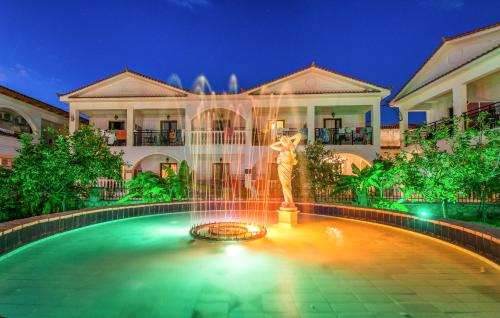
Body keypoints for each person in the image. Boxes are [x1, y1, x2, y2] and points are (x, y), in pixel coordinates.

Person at [270, 133, 302, 208]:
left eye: (284, 139)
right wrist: (280, 142)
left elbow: (299, 135)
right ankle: (287, 201)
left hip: (287, 167)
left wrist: (290, 138)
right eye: (283, 139)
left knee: (286, 185)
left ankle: (291, 202)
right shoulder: (282, 148)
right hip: (281, 167)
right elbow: (271, 146)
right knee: (285, 185)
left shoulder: (292, 147)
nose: (283, 140)